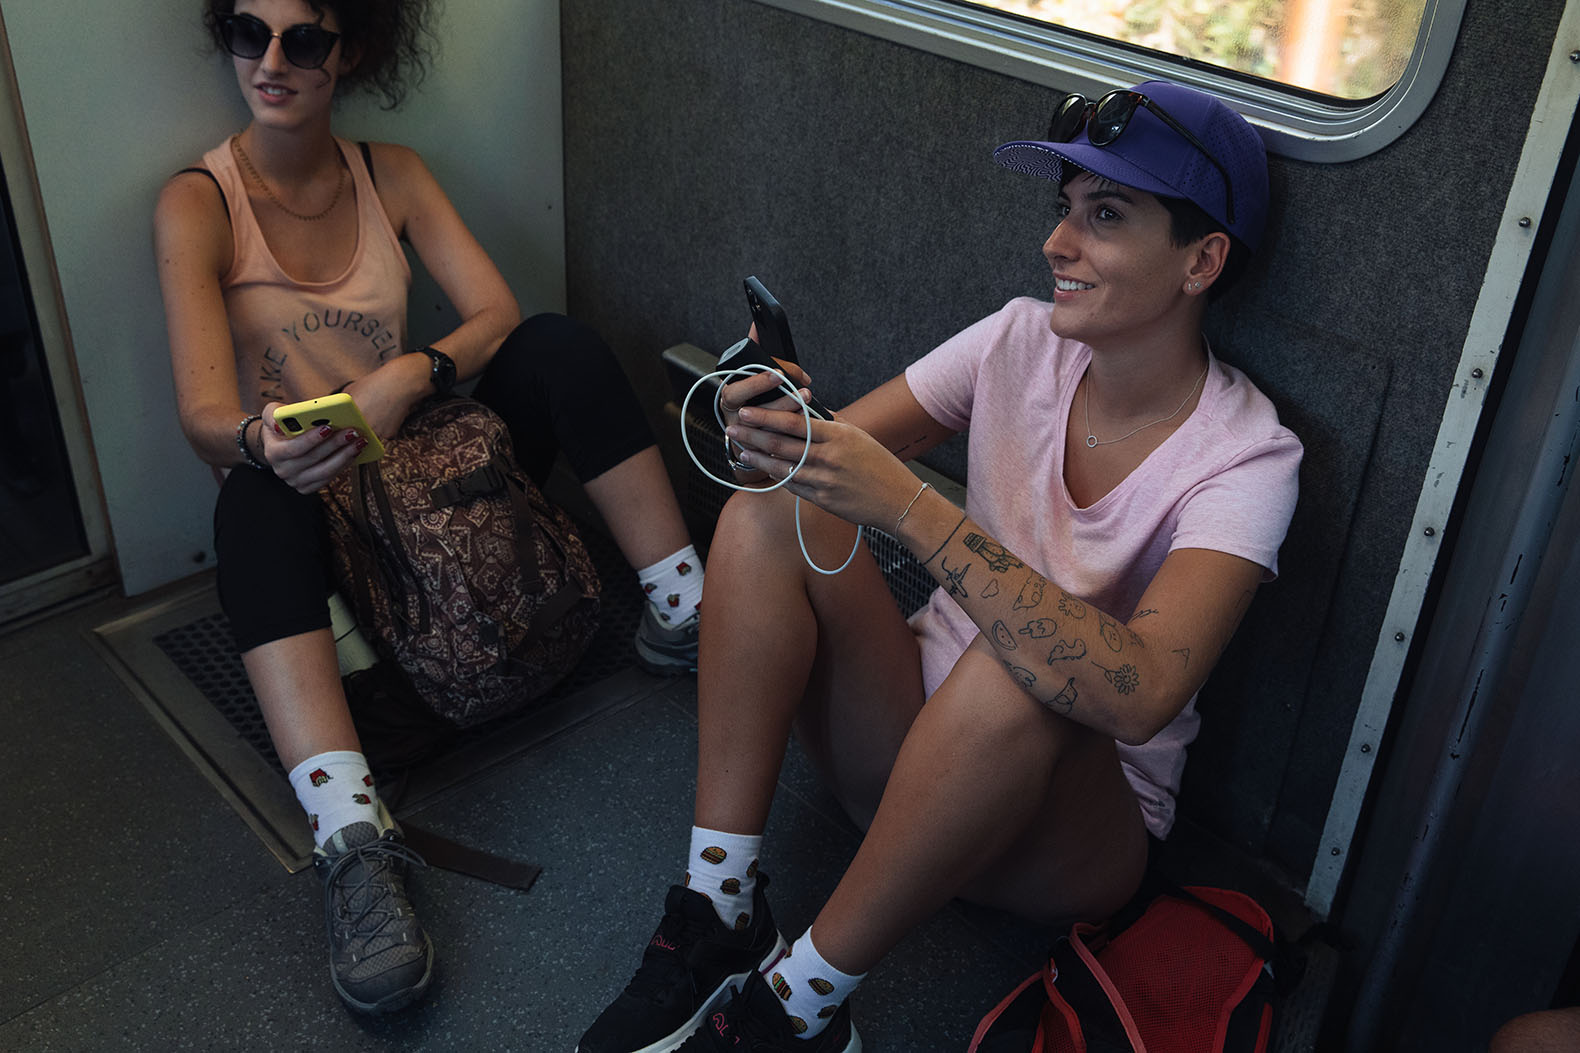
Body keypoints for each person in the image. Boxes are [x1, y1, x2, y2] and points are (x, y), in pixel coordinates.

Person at [576, 81, 1302, 1051]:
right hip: (906, 753)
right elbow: (812, 471)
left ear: (1200, 260)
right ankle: (719, 910)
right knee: (767, 516)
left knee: (1027, 661)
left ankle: (800, 1007)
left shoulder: (1246, 456)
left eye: (1105, 216)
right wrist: (772, 433)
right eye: (1064, 209)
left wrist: (911, 506)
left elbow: (1139, 695)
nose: (1056, 243)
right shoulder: (1016, 339)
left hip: (1066, 838)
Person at [153, 0, 706, 1015]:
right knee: (251, 502)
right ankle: (353, 840)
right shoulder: (200, 202)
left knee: (556, 344)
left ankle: (684, 610)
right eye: (246, 32)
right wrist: (262, 440)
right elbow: (200, 414)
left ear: (350, 50)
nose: (270, 61)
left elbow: (494, 312)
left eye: (302, 39)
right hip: (315, 514)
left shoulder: (390, 172)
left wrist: (415, 371)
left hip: (426, 481)